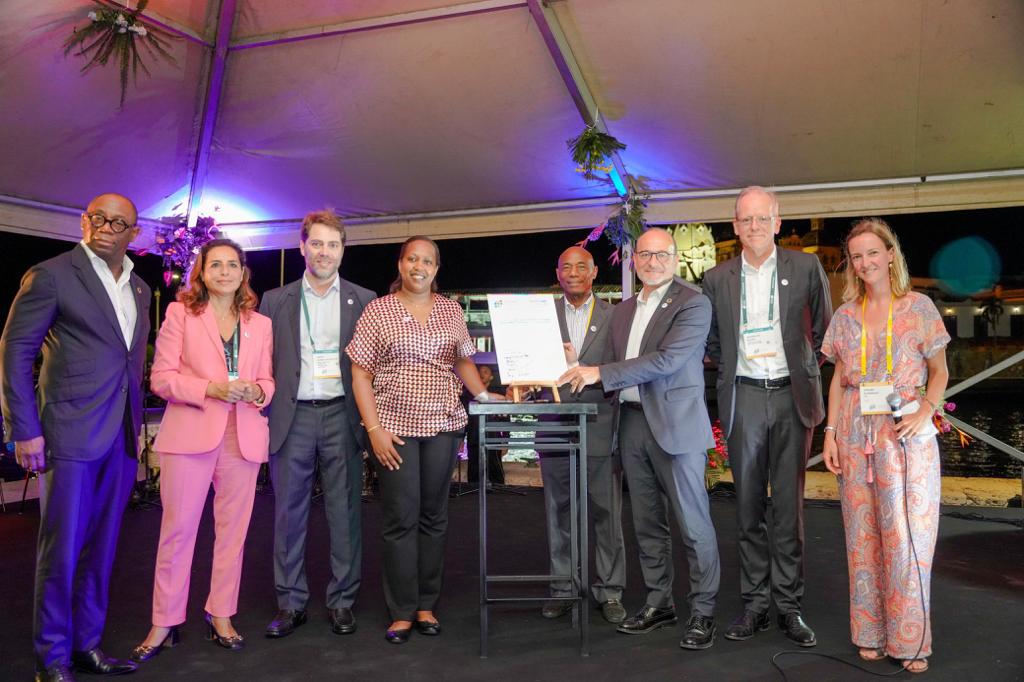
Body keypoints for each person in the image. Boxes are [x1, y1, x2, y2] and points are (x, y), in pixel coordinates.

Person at [1, 193, 150, 682]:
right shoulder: (51, 274)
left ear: (134, 232)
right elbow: (15, 350)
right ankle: (52, 657)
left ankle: (87, 645)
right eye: (98, 217)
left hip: (121, 438)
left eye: (118, 222)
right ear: (85, 222)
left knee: (102, 549)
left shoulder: (141, 288)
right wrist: (24, 429)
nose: (106, 227)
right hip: (68, 435)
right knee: (61, 551)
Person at [559, 228, 720, 651]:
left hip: (677, 426)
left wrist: (599, 373)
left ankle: (703, 611)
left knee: (692, 524)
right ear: (634, 261)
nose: (652, 262)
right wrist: (575, 363)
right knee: (647, 523)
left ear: (675, 258)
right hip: (630, 423)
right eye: (644, 255)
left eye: (661, 255)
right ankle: (659, 602)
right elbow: (606, 362)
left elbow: (666, 360)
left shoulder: (694, 303)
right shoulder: (624, 310)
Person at [346, 235, 500, 644]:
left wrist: (483, 395)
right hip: (393, 429)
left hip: (444, 425)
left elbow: (463, 360)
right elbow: (360, 373)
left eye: (427, 261)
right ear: (400, 264)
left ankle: (425, 604)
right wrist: (374, 429)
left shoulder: (450, 310)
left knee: (434, 517)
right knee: (400, 517)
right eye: (412, 258)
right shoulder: (378, 311)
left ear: (436, 268)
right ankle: (400, 610)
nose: (419, 266)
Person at [131, 239, 274, 660]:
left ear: (243, 272)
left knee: (233, 534)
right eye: (217, 265)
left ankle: (221, 614)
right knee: (177, 533)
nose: (225, 272)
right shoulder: (181, 314)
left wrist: (258, 392)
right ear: (202, 272)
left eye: (233, 265)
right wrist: (211, 388)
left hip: (242, 435)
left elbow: (268, 380)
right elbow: (161, 378)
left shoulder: (259, 324)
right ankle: (164, 622)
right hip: (190, 435)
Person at [702, 186, 831, 647]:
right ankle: (755, 604)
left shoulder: (806, 267)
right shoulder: (717, 279)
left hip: (792, 395)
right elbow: (713, 343)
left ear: (777, 222)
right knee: (747, 505)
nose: (754, 227)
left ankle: (789, 607)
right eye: (745, 220)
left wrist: (799, 365)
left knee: (789, 509)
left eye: (762, 219)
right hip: (744, 396)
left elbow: (824, 330)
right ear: (735, 226)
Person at [821, 218, 948, 675]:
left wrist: (925, 410)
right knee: (861, 538)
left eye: (872, 253)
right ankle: (870, 632)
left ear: (890, 254)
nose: (865, 262)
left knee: (907, 537)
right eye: (856, 256)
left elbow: (940, 371)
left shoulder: (919, 307)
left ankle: (911, 641)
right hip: (855, 432)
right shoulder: (844, 315)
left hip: (904, 432)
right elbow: (837, 380)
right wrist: (830, 433)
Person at [258, 210, 375, 638]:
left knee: (345, 512)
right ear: (302, 246)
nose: (325, 252)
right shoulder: (275, 300)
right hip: (293, 416)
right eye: (318, 243)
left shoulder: (364, 300)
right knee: (288, 513)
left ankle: (343, 600)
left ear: (343, 250)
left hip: (343, 415)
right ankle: (290, 603)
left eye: (333, 244)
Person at [539, 246, 626, 624]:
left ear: (593, 274)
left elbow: (625, 364)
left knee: (606, 512)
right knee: (559, 511)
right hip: (554, 423)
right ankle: (563, 587)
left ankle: (610, 592)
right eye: (566, 267)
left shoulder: (616, 314)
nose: (573, 272)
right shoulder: (540, 318)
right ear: (557, 273)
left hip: (600, 422)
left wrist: (585, 366)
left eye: (581, 266)